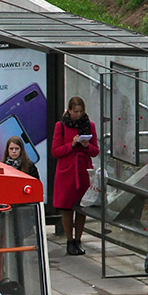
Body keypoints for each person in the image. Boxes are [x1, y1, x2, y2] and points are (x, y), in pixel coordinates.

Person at [51, 96, 99, 255]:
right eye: (75, 111)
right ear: (69, 110)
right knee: (67, 208)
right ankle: (69, 241)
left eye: (81, 111)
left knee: (81, 207)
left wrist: (86, 146)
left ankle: (79, 240)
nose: (78, 114)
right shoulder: (61, 126)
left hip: (83, 170)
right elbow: (56, 151)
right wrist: (71, 144)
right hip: (67, 171)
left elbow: (95, 151)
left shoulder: (89, 125)